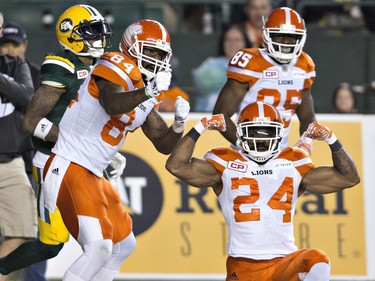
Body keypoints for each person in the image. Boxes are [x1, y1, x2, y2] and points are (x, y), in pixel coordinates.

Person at [42, 18, 189, 280]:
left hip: (92, 173)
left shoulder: (145, 88)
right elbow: (112, 103)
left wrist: (178, 124)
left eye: (161, 53)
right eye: (151, 50)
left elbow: (162, 143)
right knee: (98, 248)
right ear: (131, 46)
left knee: (124, 245)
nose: (156, 58)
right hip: (70, 161)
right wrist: (149, 91)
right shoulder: (114, 62)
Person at [166, 101, 360, 281]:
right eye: (254, 132)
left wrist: (332, 140)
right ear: (240, 133)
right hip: (243, 266)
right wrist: (200, 127)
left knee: (317, 260)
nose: (260, 139)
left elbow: (349, 177)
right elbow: (176, 166)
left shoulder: (293, 162)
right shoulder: (225, 162)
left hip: (284, 263)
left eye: (267, 132)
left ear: (278, 134)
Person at [0, 4, 121, 279]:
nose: (98, 38)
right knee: (51, 244)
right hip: (53, 161)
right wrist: (87, 146)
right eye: (90, 32)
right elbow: (33, 123)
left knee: (108, 239)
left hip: (79, 162)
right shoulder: (63, 65)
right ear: (71, 35)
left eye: (99, 31)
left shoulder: (101, 66)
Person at [213, 7, 317, 154]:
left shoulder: (304, 64)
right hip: (246, 154)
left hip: (281, 155)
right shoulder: (249, 62)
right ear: (267, 35)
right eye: (279, 36)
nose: (286, 42)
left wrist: (306, 140)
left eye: (291, 36)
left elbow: (307, 114)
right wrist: (244, 144)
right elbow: (221, 114)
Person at [0, 22, 44, 281]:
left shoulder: (21, 67)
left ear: (25, 45)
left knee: (28, 231)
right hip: (17, 160)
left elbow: (29, 97)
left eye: (14, 44)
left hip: (20, 161)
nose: (9, 49)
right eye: (5, 44)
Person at [192, 24, 251, 112]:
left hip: (243, 118)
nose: (232, 44)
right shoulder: (211, 63)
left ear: (245, 42)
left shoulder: (253, 65)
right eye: (228, 40)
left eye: (237, 40)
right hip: (208, 116)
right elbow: (202, 83)